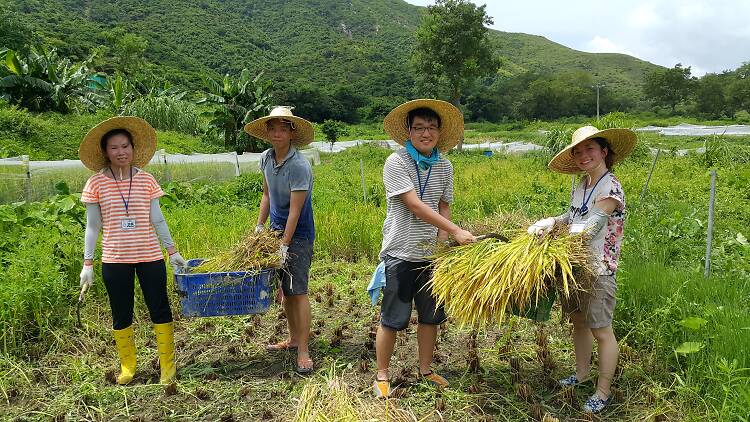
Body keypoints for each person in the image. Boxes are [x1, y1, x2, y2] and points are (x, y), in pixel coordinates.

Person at [527, 125, 636, 413]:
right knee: (578, 322)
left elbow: (590, 229)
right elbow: (574, 215)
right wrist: (551, 221)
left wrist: (551, 245)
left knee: (601, 330)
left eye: (590, 149)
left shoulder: (610, 187)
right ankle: (582, 373)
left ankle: (602, 391)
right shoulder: (583, 185)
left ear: (604, 152)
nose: (583, 155)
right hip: (574, 267)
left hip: (598, 269)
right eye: (578, 151)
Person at [372, 99, 476, 398]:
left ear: (440, 132)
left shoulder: (445, 165)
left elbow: (444, 206)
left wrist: (443, 245)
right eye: (419, 128)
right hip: (400, 252)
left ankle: (426, 369)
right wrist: (456, 231)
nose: (425, 133)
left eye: (431, 128)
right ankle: (382, 374)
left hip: (430, 257)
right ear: (409, 131)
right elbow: (415, 205)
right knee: (393, 319)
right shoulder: (396, 162)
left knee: (431, 317)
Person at [78, 116, 187, 385]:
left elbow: (157, 218)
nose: (121, 152)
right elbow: (92, 227)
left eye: (125, 146)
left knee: (160, 308)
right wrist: (88, 263)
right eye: (114, 147)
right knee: (121, 311)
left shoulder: (146, 180)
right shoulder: (96, 184)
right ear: (105, 152)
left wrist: (171, 251)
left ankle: (167, 366)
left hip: (150, 256)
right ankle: (128, 366)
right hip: (115, 259)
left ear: (133, 148)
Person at [244, 106, 316, 374]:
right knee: (285, 291)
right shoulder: (265, 158)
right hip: (275, 232)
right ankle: (293, 338)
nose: (277, 133)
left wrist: (286, 243)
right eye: (273, 128)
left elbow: (295, 210)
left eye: (283, 128)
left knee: (298, 291)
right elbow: (266, 195)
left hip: (298, 234)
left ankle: (304, 350)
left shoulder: (298, 165)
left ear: (291, 132)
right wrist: (259, 227)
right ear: (267, 132)